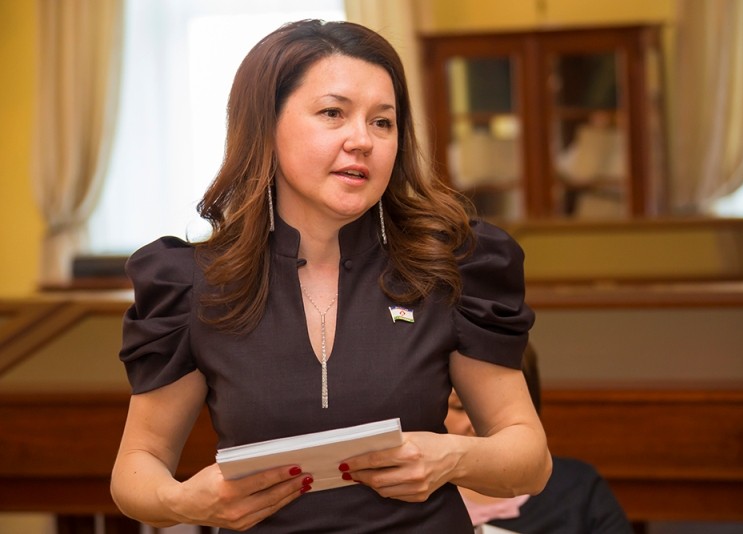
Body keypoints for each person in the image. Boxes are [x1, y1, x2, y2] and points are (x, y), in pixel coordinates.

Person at [110, 19, 551, 533]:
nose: (362, 140)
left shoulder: (448, 267)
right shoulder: (193, 284)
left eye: (382, 122)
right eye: (333, 113)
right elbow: (136, 468)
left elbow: (530, 460)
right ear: (266, 126)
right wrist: (186, 501)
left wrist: (451, 457)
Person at [445, 345, 633, 534]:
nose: (476, 425)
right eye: (460, 407)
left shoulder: (578, 487)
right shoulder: (427, 492)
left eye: (497, 410)